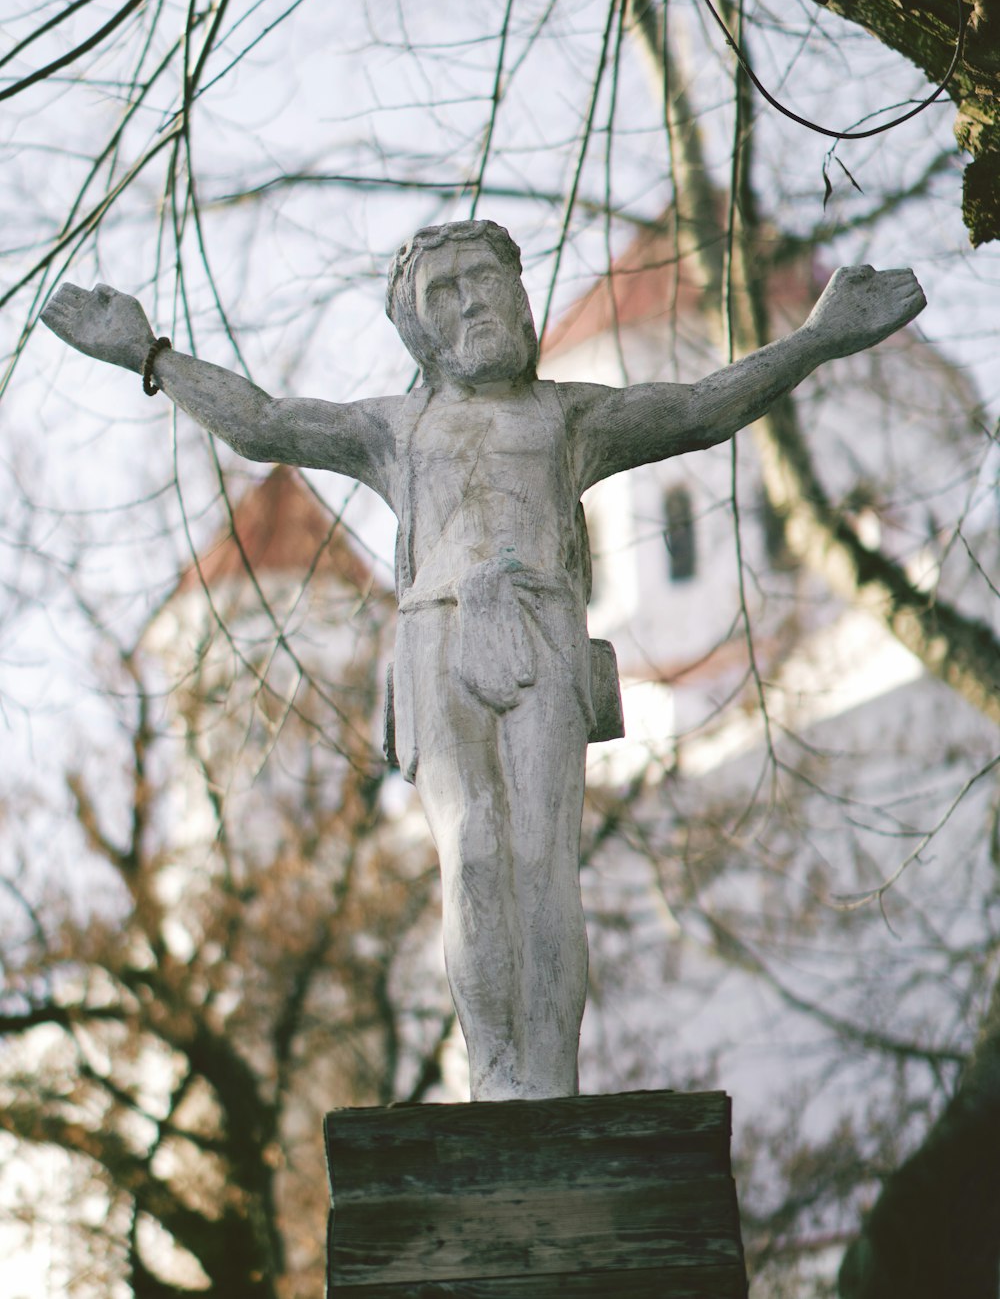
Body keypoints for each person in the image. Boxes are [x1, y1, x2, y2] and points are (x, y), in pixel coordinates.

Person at [42, 219, 926, 1099]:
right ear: (418, 332)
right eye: (445, 293)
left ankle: (549, 1087)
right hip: (436, 637)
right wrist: (149, 355)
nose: (473, 304)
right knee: (470, 854)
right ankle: (497, 1081)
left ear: (522, 291)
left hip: (541, 627)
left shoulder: (568, 415)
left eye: (488, 279)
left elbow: (699, 410)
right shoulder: (396, 429)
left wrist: (818, 339)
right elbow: (265, 426)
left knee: (543, 866)